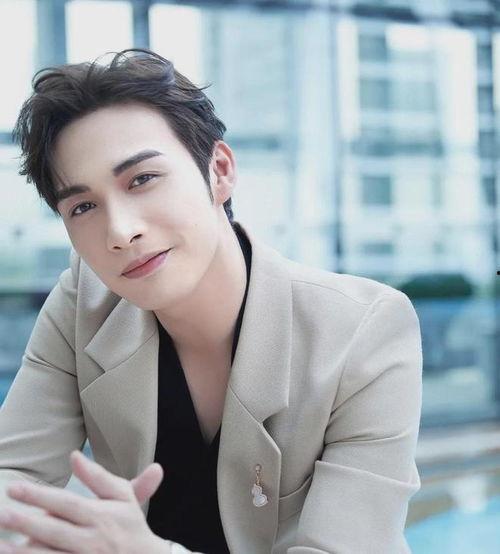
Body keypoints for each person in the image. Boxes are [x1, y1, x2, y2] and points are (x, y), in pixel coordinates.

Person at [0, 48, 423, 553]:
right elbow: (13, 480)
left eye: (142, 179)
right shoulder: (84, 301)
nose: (120, 232)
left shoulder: (365, 331)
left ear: (219, 171)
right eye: (83, 206)